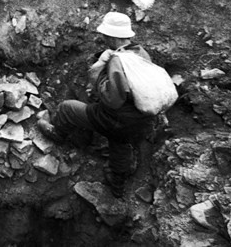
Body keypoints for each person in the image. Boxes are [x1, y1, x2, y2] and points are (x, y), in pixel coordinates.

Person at [37, 12, 156, 197]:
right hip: (141, 120)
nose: (103, 38)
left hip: (116, 120)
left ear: (113, 36)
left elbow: (113, 100)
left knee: (67, 108)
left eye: (105, 35)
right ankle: (117, 183)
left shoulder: (118, 60)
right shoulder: (141, 53)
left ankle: (58, 134)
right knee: (120, 141)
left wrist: (99, 73)